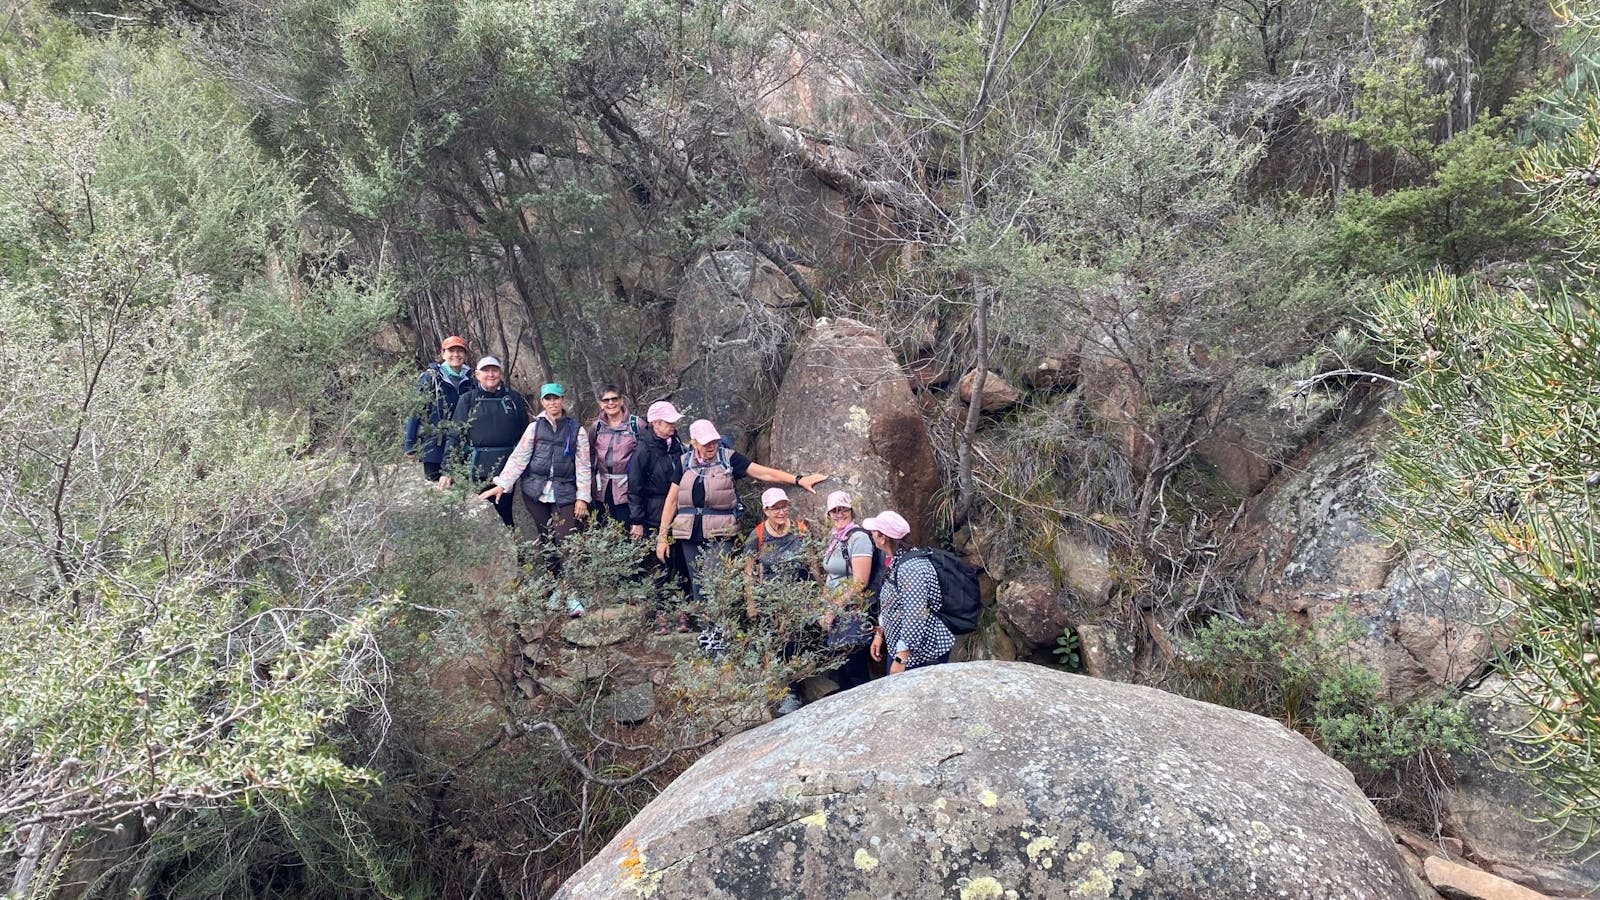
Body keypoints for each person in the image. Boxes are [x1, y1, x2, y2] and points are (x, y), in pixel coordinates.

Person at [655, 419, 827, 606]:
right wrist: (662, 537)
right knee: (697, 582)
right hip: (688, 532)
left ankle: (719, 628)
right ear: (694, 442)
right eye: (706, 443)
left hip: (720, 531)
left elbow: (764, 473)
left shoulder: (728, 458)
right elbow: (671, 501)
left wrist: (798, 480)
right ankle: (707, 630)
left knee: (716, 579)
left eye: (714, 441)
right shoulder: (684, 462)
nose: (711, 446)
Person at [480, 383, 591, 559]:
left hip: (564, 490)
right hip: (535, 491)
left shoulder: (577, 431)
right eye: (548, 399)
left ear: (563, 400)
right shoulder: (534, 428)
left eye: (556, 398)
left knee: (566, 538)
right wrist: (503, 484)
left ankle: (571, 581)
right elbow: (519, 457)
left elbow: (584, 466)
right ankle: (552, 580)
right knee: (546, 538)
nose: (552, 402)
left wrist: (582, 498)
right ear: (542, 402)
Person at [743, 487, 819, 715]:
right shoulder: (757, 536)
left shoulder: (800, 530)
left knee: (794, 642)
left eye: (783, 506)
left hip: (799, 596)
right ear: (765, 510)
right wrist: (751, 602)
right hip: (771, 599)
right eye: (775, 508)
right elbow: (748, 572)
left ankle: (796, 689)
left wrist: (821, 592)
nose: (781, 511)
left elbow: (813, 562)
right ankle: (789, 693)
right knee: (779, 643)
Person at [441, 356, 528, 527]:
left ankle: (516, 552)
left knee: (509, 516)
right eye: (486, 371)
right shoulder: (467, 399)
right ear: (477, 375)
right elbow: (455, 434)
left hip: (507, 468)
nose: (490, 374)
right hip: (476, 467)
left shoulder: (514, 398)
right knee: (482, 518)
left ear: (500, 373)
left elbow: (526, 435)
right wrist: (448, 469)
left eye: (494, 370)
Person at [865, 510, 954, 673]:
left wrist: (900, 658)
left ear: (883, 538)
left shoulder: (910, 568)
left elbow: (915, 614)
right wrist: (880, 633)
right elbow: (891, 603)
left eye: (874, 533)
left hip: (922, 655)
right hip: (903, 650)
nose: (871, 535)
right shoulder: (897, 561)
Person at [629, 401, 691, 630]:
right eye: (668, 422)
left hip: (680, 510)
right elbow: (634, 487)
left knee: (681, 563)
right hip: (653, 512)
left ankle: (682, 610)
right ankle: (660, 613)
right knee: (660, 564)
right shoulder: (643, 449)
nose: (673, 425)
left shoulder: (676, 446)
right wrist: (637, 520)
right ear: (655, 423)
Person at [818, 490, 878, 692]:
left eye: (843, 509)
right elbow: (831, 575)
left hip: (852, 612)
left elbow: (860, 581)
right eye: (834, 510)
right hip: (836, 612)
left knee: (855, 671)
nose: (839, 514)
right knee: (841, 670)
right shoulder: (836, 538)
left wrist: (834, 607)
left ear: (851, 510)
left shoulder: (858, 538)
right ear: (828, 514)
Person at [403, 335, 476, 482]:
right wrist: (409, 444)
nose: (456, 355)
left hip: (461, 447)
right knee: (436, 491)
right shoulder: (431, 378)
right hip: (434, 447)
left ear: (465, 355)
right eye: (451, 351)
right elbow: (415, 410)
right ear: (443, 354)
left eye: (460, 351)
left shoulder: (470, 381)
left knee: (459, 493)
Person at [589, 386, 642, 528]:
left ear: (621, 401)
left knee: (627, 529)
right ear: (601, 404)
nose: (610, 403)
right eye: (606, 400)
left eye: (614, 399)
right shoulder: (597, 427)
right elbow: (591, 454)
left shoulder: (636, 425)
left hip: (628, 489)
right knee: (604, 528)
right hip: (602, 488)